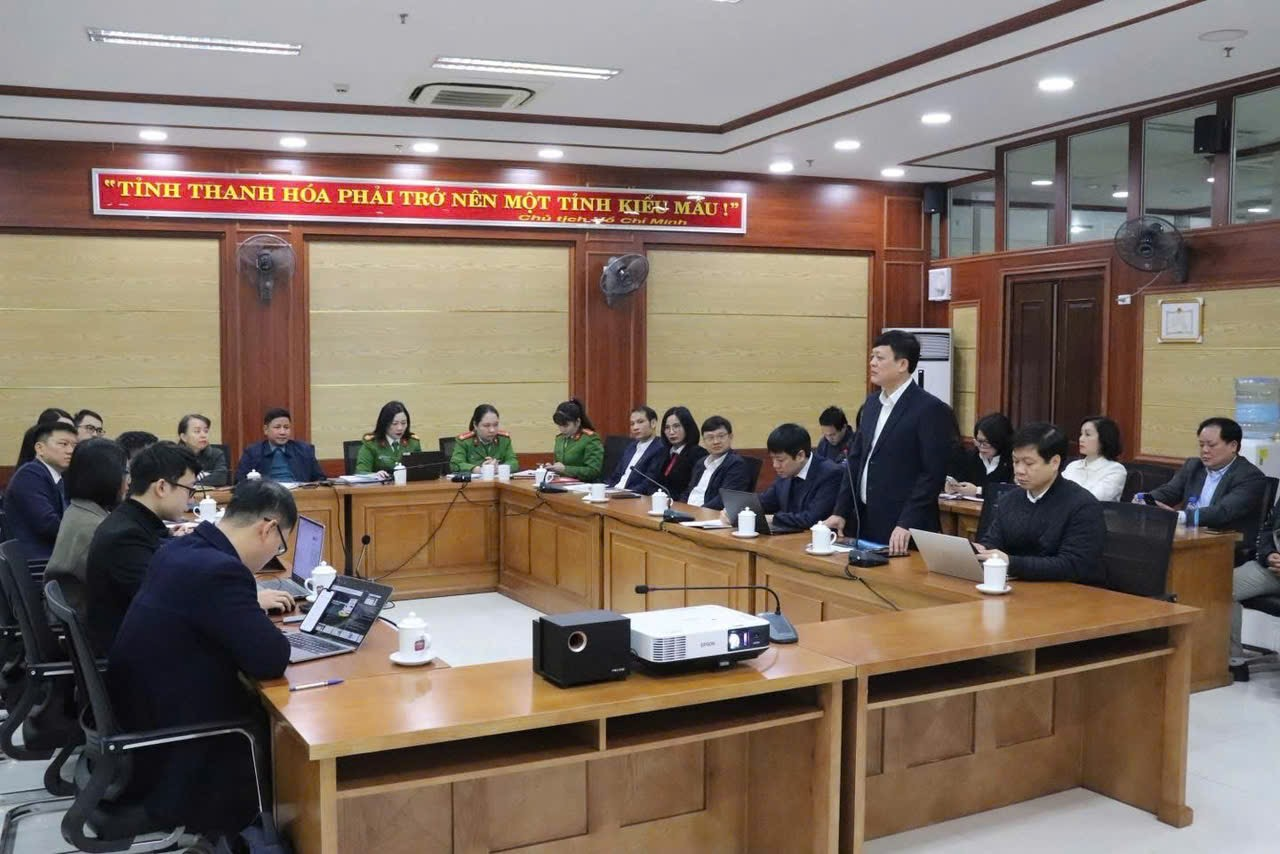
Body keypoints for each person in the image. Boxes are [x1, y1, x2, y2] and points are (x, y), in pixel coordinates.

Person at [106, 480, 296, 838]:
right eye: (280, 544)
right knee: (286, 721)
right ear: (267, 529)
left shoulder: (183, 548)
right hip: (179, 734)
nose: (276, 553)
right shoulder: (221, 571)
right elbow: (271, 659)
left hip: (141, 709)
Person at [825, 330, 954, 555]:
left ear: (902, 364)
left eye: (880, 357)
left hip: (902, 526)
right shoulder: (872, 404)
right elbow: (855, 460)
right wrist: (841, 510)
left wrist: (907, 523)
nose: (872, 363)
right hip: (864, 519)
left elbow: (932, 474)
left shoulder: (930, 409)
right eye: (872, 357)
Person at [85, 441, 201, 653]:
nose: (190, 500)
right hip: (134, 654)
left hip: (142, 638)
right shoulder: (125, 537)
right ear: (162, 487)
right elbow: (168, 602)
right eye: (189, 490)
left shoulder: (133, 520)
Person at [976, 422, 1106, 584]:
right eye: (1015, 461)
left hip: (1066, 593)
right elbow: (993, 541)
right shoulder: (1009, 500)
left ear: (1054, 462)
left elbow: (1073, 565)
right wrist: (982, 550)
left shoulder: (1082, 505)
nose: (1019, 470)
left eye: (1029, 463)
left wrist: (1011, 562)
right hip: (1017, 587)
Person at [1145, 417, 1266, 550]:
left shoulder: (1250, 476)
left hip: (1225, 546)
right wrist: (1146, 500)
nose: (1205, 450)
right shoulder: (1194, 466)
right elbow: (1169, 491)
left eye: (1211, 445)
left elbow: (1223, 511)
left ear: (1233, 446)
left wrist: (1180, 517)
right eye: (1202, 445)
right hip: (1188, 538)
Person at [46, 438, 129, 614]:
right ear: (105, 476)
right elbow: (127, 582)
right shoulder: (95, 528)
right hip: (91, 619)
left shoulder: (79, 508)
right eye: (124, 472)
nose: (128, 481)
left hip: (84, 610)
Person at [746, 423, 841, 531]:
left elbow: (812, 518)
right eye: (772, 459)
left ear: (800, 456)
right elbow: (766, 502)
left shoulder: (830, 473)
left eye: (780, 460)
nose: (775, 465)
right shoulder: (786, 472)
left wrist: (773, 518)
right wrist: (743, 508)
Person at [3, 421, 76, 561]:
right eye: (63, 444)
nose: (70, 451)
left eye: (74, 445)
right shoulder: (30, 475)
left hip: (53, 558)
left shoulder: (56, 477)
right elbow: (48, 525)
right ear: (40, 448)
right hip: (37, 563)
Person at [1230, 502, 1280, 659]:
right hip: (1272, 569)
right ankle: (1233, 661)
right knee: (1220, 587)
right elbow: (1268, 529)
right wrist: (1268, 554)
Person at [234, 408, 325, 483]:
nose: (283, 432)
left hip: (298, 495)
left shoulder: (304, 450)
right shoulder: (253, 452)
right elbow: (239, 481)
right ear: (266, 430)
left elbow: (320, 479)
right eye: (277, 427)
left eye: (286, 427)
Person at [682, 416, 753, 510]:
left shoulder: (736, 464)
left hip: (710, 515)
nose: (716, 442)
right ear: (704, 441)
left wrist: (697, 512)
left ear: (730, 437)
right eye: (710, 437)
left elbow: (724, 500)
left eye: (721, 436)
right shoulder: (701, 463)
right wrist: (678, 508)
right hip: (690, 512)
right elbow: (689, 491)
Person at [1061, 415, 1127, 502]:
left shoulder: (1115, 470)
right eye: (1081, 434)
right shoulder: (1073, 466)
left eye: (1088, 434)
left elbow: (1092, 499)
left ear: (1104, 439)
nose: (1081, 439)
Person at [948, 412, 1014, 497]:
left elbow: (1013, 492)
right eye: (979, 441)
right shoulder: (970, 457)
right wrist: (953, 487)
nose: (981, 447)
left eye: (986, 442)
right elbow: (957, 479)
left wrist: (978, 491)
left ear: (1001, 441)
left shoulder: (1013, 461)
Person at [356, 400, 422, 477]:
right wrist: (374, 475)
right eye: (394, 423)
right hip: (380, 484)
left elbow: (420, 470)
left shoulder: (413, 443)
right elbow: (360, 472)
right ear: (384, 423)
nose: (400, 428)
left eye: (403, 423)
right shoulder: (371, 444)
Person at [653, 406, 708, 498]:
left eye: (676, 426)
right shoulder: (662, 453)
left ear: (687, 427)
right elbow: (652, 481)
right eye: (667, 427)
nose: (671, 432)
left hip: (682, 503)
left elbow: (693, 488)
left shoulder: (698, 454)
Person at [606, 405, 665, 490]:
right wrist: (604, 489)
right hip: (615, 492)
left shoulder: (660, 448)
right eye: (632, 424)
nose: (635, 427)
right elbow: (615, 476)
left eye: (640, 422)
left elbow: (649, 483)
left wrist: (625, 493)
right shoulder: (631, 447)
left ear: (653, 423)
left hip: (632, 494)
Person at [451, 404, 519, 474]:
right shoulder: (465, 441)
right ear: (475, 425)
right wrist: (478, 469)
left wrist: (498, 468)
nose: (492, 430)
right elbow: (455, 464)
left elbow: (514, 463)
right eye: (486, 425)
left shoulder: (504, 439)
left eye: (495, 425)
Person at [551, 398, 603, 482]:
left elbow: (593, 471)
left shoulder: (590, 439)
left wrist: (565, 469)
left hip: (583, 485)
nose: (562, 430)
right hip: (561, 484)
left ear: (578, 422)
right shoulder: (560, 439)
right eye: (559, 425)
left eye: (566, 426)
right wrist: (552, 468)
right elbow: (559, 464)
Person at [178, 413, 230, 487]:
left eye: (206, 431)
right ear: (184, 437)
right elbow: (173, 481)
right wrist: (205, 477)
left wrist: (191, 481)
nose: (203, 435)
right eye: (197, 431)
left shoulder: (216, 454)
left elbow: (221, 478)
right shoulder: (173, 455)